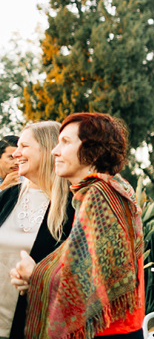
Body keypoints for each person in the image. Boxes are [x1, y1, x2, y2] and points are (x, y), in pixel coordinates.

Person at [10, 113, 144, 339]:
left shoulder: (100, 197)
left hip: (107, 333)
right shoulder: (99, 192)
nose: (55, 150)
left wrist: (36, 275)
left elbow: (90, 281)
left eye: (66, 142)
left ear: (92, 149)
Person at [0, 123, 72, 339]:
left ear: (49, 149)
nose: (16, 153)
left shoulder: (72, 207)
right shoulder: (7, 197)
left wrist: (39, 278)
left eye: (24, 146)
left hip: (31, 328)